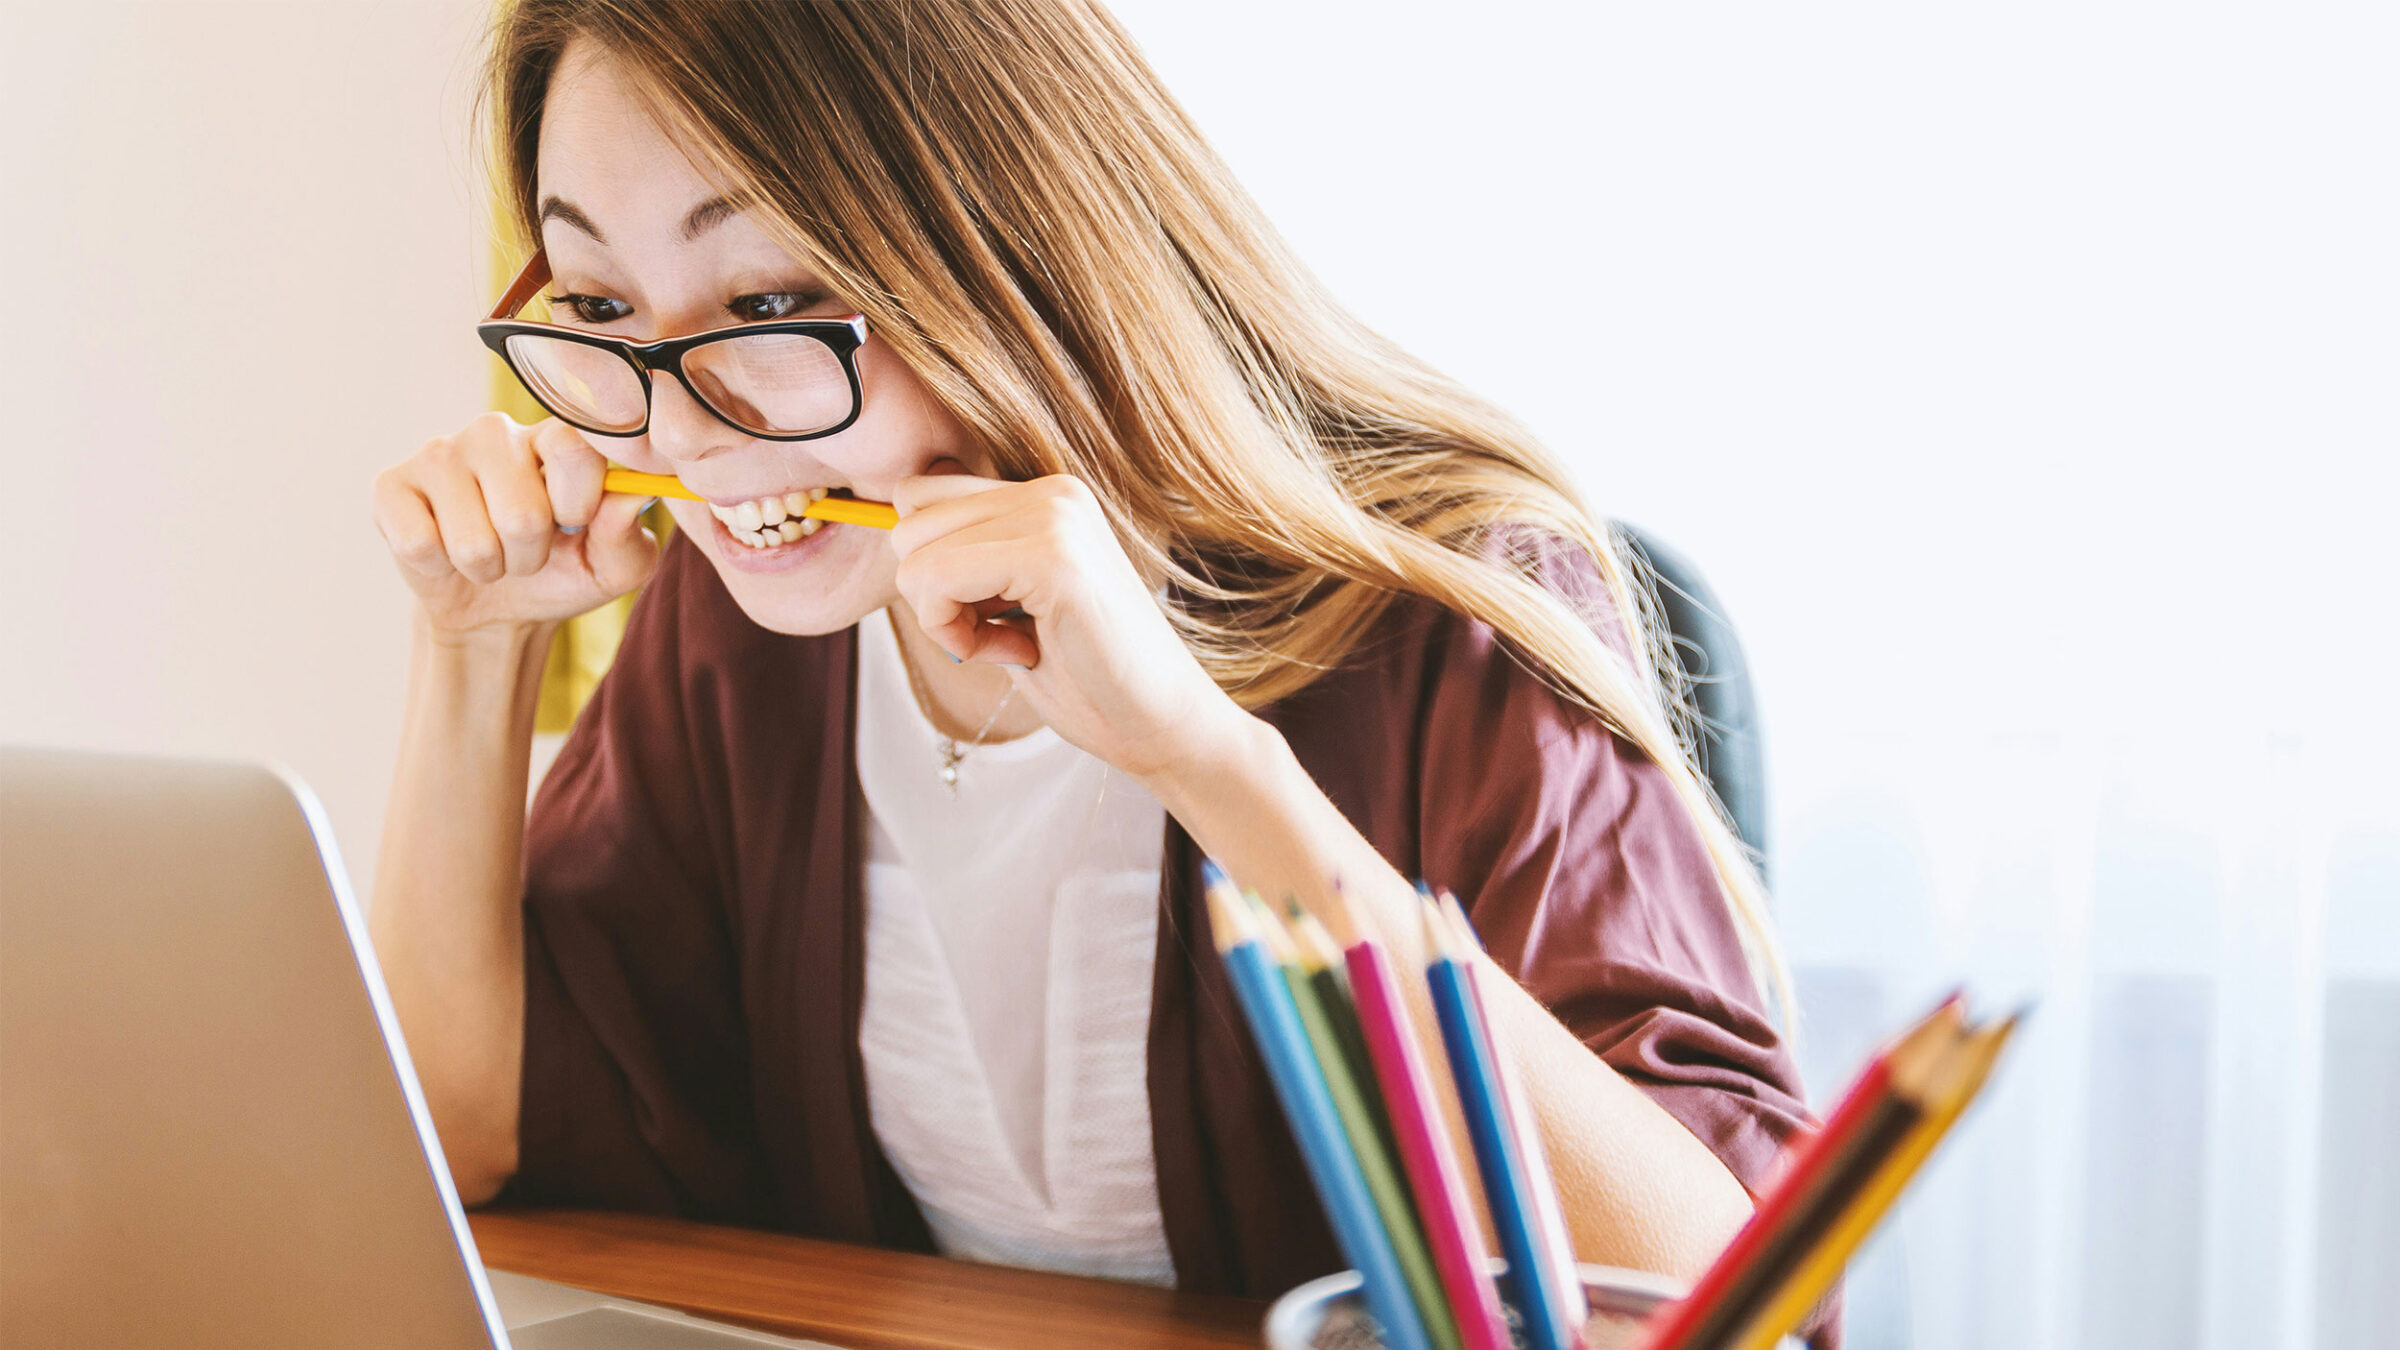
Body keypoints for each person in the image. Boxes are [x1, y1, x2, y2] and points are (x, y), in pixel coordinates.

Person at [369, 0, 1820, 1326]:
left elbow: (1727, 1295)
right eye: (605, 308)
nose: (679, 435)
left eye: (766, 305)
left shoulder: (1448, 604)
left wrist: (1203, 755)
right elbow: (460, 1131)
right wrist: (472, 651)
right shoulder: (751, 625)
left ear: (1005, 247)